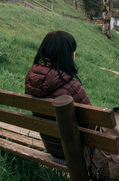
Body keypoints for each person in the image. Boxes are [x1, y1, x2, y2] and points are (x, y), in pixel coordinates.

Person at [25, 30, 91, 165]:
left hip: (52, 148)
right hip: (75, 153)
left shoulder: (32, 80)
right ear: (69, 55)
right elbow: (91, 123)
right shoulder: (72, 87)